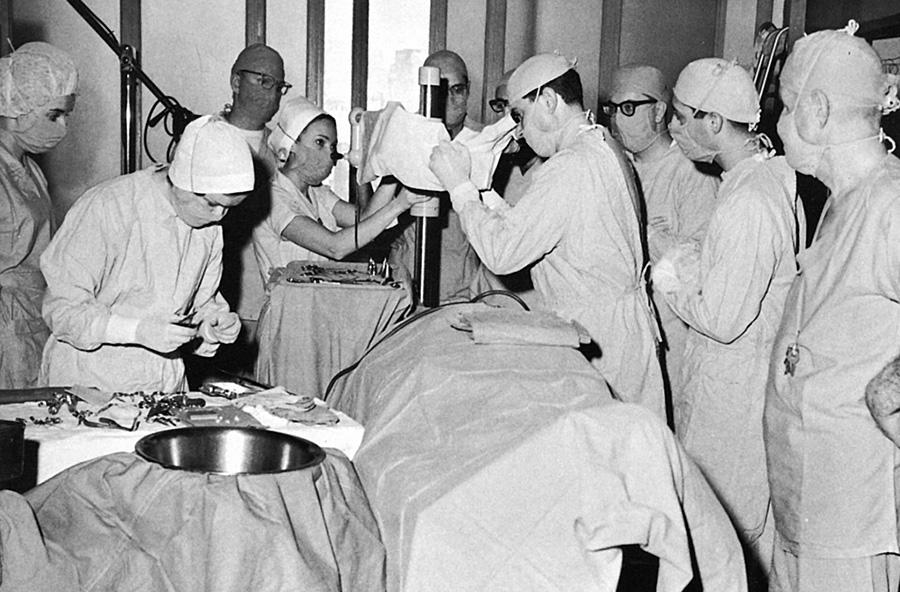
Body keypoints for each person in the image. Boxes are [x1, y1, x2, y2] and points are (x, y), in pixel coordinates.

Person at [428, 53, 666, 420]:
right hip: (620, 329)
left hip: (601, 335)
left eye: (520, 116)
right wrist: (482, 190)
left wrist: (459, 188)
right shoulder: (598, 145)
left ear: (549, 101)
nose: (519, 132)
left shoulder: (570, 166)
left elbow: (503, 252)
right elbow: (532, 227)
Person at [650, 58, 804, 586]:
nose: (673, 129)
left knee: (722, 543)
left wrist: (668, 275)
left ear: (713, 122)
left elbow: (720, 317)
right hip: (732, 385)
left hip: (732, 400)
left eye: (680, 117)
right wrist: (689, 255)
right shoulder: (756, 178)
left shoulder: (751, 200)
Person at [764, 21, 900, 592]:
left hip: (851, 516)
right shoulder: (843, 198)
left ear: (816, 110)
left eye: (786, 106)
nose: (778, 123)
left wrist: (888, 389)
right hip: (807, 502)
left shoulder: (890, 202)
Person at [40, 116, 255, 393]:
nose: (219, 216)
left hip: (162, 382)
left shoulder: (208, 227)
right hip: (91, 381)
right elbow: (62, 309)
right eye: (213, 203)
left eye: (229, 207)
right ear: (182, 181)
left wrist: (210, 327)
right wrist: (136, 331)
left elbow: (199, 304)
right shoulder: (109, 208)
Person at [604, 65, 718, 410]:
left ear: (657, 110)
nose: (616, 121)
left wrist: (644, 229)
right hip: (624, 329)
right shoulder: (615, 165)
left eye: (627, 109)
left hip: (673, 332)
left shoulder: (690, 172)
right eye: (612, 109)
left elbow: (698, 265)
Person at [252, 96, 429, 277]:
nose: (331, 152)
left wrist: (392, 170)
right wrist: (400, 204)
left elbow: (365, 220)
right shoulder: (273, 199)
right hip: (290, 304)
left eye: (333, 145)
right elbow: (335, 247)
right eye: (320, 142)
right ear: (291, 146)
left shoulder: (317, 193)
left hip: (319, 299)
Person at [0, 42, 77, 389]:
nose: (62, 127)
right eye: (54, 115)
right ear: (17, 108)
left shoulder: (29, 169)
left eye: (66, 115)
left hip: (31, 318)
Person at [216, 43, 290, 370]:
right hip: (216, 299)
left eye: (278, 86)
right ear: (235, 82)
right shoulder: (205, 140)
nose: (271, 94)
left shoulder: (283, 148)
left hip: (267, 301)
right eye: (262, 81)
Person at [390, 50, 483, 303]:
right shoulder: (405, 138)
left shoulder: (484, 143)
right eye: (441, 90)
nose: (449, 99)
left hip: (462, 293)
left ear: (468, 90)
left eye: (458, 89)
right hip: (407, 290)